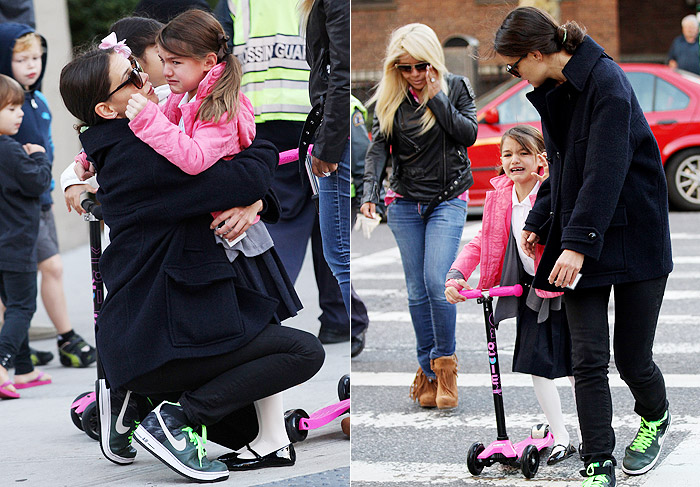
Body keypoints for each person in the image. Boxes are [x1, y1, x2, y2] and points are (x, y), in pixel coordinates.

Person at [59, 45, 325, 482]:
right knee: (303, 350)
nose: (144, 77)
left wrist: (253, 199)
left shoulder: (134, 137)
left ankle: (148, 405)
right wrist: (257, 151)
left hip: (159, 329)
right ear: (107, 108)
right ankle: (174, 419)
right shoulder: (139, 154)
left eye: (136, 68)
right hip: (157, 337)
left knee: (249, 430)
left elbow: (232, 182)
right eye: (130, 77)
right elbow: (240, 175)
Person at [494, 7, 673, 486]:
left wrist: (574, 245)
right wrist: (539, 218)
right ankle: (598, 461)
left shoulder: (606, 82)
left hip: (635, 233)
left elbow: (604, 169)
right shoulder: (556, 90)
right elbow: (564, 164)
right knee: (587, 358)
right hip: (581, 233)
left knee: (633, 357)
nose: (514, 75)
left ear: (536, 52)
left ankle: (655, 416)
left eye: (514, 65)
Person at [214, 0, 368, 355]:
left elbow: (219, 54)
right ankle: (340, 318)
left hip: (262, 115)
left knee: (280, 220)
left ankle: (262, 313)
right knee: (328, 221)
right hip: (315, 113)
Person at [445, 125, 579, 465]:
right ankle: (560, 435)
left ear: (541, 158)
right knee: (538, 363)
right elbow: (483, 241)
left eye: (523, 153)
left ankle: (593, 433)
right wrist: (458, 273)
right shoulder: (500, 196)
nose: (514, 161)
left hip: (565, 286)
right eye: (507, 154)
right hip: (530, 289)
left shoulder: (553, 191)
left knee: (577, 365)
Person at [360, 23, 478, 410]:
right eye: (405, 67)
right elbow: (378, 150)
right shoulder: (390, 97)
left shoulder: (455, 87)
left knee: (436, 281)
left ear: (434, 62)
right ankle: (427, 372)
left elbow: (468, 134)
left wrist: (436, 97)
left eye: (421, 65)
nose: (413, 74)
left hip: (447, 198)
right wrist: (369, 195)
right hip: (405, 201)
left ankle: (446, 367)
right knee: (415, 290)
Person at [0, 21, 97, 368]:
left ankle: (20, 346)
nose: (32, 65)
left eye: (37, 58)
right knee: (45, 268)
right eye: (21, 59)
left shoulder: (36, 99)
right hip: (17, 204)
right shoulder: (5, 103)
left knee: (37, 273)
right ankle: (58, 338)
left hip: (39, 199)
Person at [62, 16, 166, 216]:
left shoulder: (175, 99)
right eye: (158, 49)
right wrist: (72, 181)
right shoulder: (119, 144)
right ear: (107, 110)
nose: (169, 51)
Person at [0, 73, 52, 399]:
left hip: (3, 244)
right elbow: (37, 183)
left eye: (20, 107)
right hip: (15, 241)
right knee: (22, 307)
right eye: (11, 108)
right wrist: (39, 156)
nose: (20, 113)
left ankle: (24, 369)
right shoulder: (10, 149)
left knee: (11, 306)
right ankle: (2, 364)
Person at [299, 0, 351, 313]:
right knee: (339, 257)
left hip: (336, 137)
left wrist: (327, 144)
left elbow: (340, 69)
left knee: (340, 256)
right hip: (333, 132)